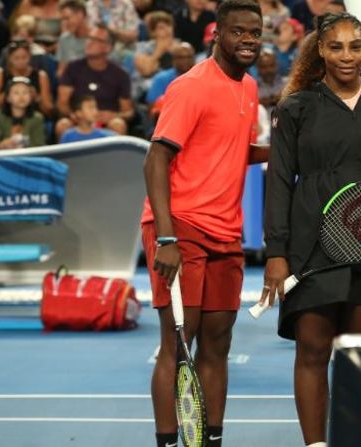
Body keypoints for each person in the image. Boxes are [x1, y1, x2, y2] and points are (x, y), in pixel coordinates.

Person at [260, 12, 361, 447]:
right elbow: (279, 180)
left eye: (355, 46)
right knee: (312, 349)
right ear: (321, 50)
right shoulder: (296, 106)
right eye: (336, 47)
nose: (347, 56)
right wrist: (276, 252)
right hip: (311, 246)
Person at [142, 1, 266, 446]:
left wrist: (285, 151)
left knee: (218, 345)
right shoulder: (190, 87)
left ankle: (210, 439)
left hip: (226, 230)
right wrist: (167, 234)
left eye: (255, 32)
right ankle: (169, 442)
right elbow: (156, 157)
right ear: (217, 35)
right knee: (178, 345)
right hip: (182, 226)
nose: (248, 39)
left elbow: (233, 151)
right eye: (238, 32)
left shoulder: (249, 88)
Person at [56, 24, 134, 137]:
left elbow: (128, 111)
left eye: (95, 40)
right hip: (78, 120)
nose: (89, 42)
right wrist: (76, 116)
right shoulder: (72, 68)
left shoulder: (120, 75)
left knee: (118, 125)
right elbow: (62, 103)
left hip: (106, 122)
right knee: (62, 125)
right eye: (89, 38)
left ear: (108, 47)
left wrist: (114, 115)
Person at [0, 76, 45, 149]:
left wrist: (22, 143)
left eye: (25, 92)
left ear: (31, 97)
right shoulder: (0, 117)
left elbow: (39, 145)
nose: (21, 97)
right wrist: (2, 145)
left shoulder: (37, 118)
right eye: (16, 93)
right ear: (8, 97)